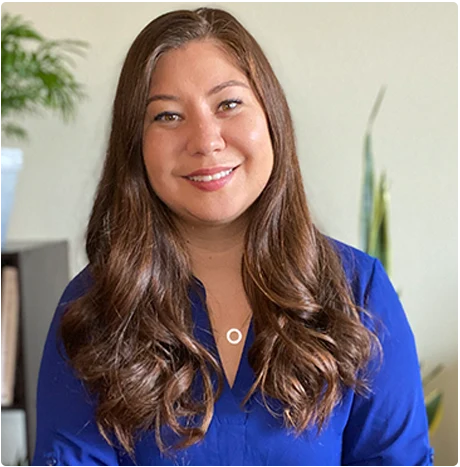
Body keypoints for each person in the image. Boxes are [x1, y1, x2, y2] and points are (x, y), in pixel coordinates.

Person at [32, 7, 433, 467]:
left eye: (228, 104)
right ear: (135, 145)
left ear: (271, 117)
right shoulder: (93, 309)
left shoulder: (358, 291)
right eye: (167, 115)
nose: (205, 140)